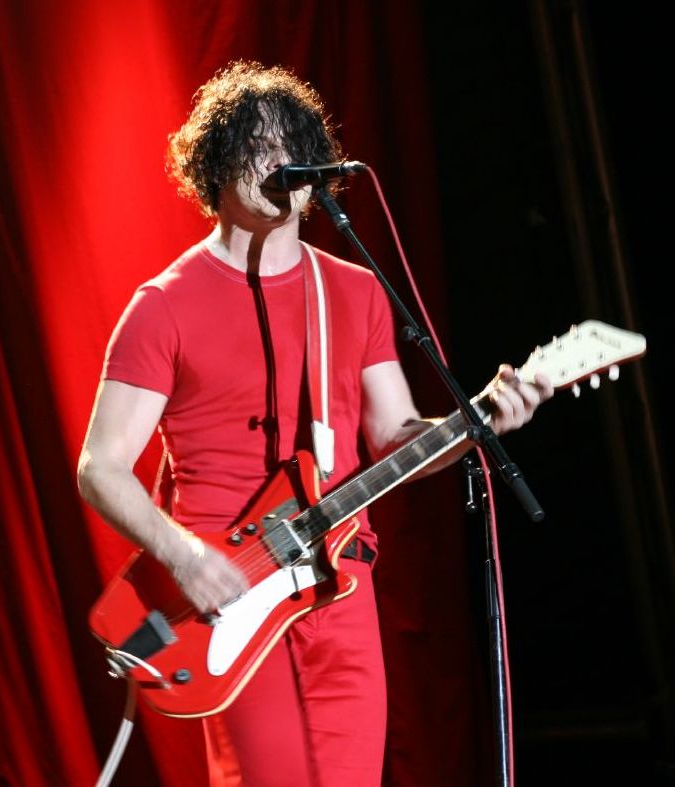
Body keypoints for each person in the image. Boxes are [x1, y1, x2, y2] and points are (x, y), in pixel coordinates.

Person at [77, 60, 553, 787]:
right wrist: (183, 557)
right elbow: (100, 465)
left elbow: (393, 434)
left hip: (339, 592)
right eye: (255, 147)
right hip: (227, 595)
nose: (278, 163)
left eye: (291, 146)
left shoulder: (352, 291)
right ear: (215, 165)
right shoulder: (162, 305)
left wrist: (478, 417)